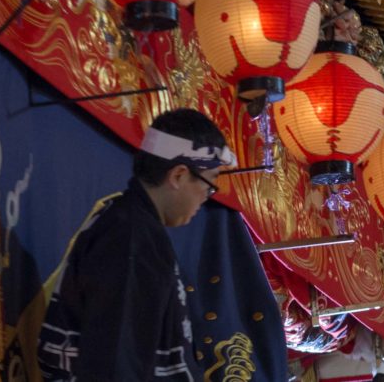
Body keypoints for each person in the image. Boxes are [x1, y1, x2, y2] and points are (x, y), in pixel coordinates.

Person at [38, 108, 236, 381]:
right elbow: (115, 362)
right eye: (208, 184)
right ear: (178, 175)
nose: (207, 197)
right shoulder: (130, 237)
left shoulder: (132, 225)